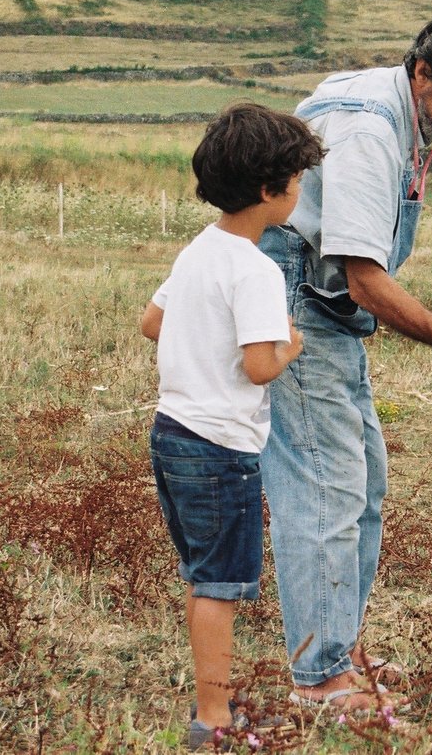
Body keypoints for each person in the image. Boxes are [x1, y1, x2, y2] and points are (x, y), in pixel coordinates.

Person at [258, 6, 432, 713]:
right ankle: (320, 679)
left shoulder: (403, 112)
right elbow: (362, 277)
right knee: (324, 484)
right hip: (296, 298)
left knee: (362, 478)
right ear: (422, 71)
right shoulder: (373, 132)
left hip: (323, 300)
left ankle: (340, 648)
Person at [140, 102, 325, 748]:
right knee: (219, 584)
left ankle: (212, 700)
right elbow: (258, 366)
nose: (301, 189)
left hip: (170, 431)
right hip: (220, 448)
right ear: (271, 191)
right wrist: (292, 347)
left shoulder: (199, 250)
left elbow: (151, 322)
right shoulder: (257, 270)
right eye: (298, 179)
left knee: (203, 576)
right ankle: (213, 719)